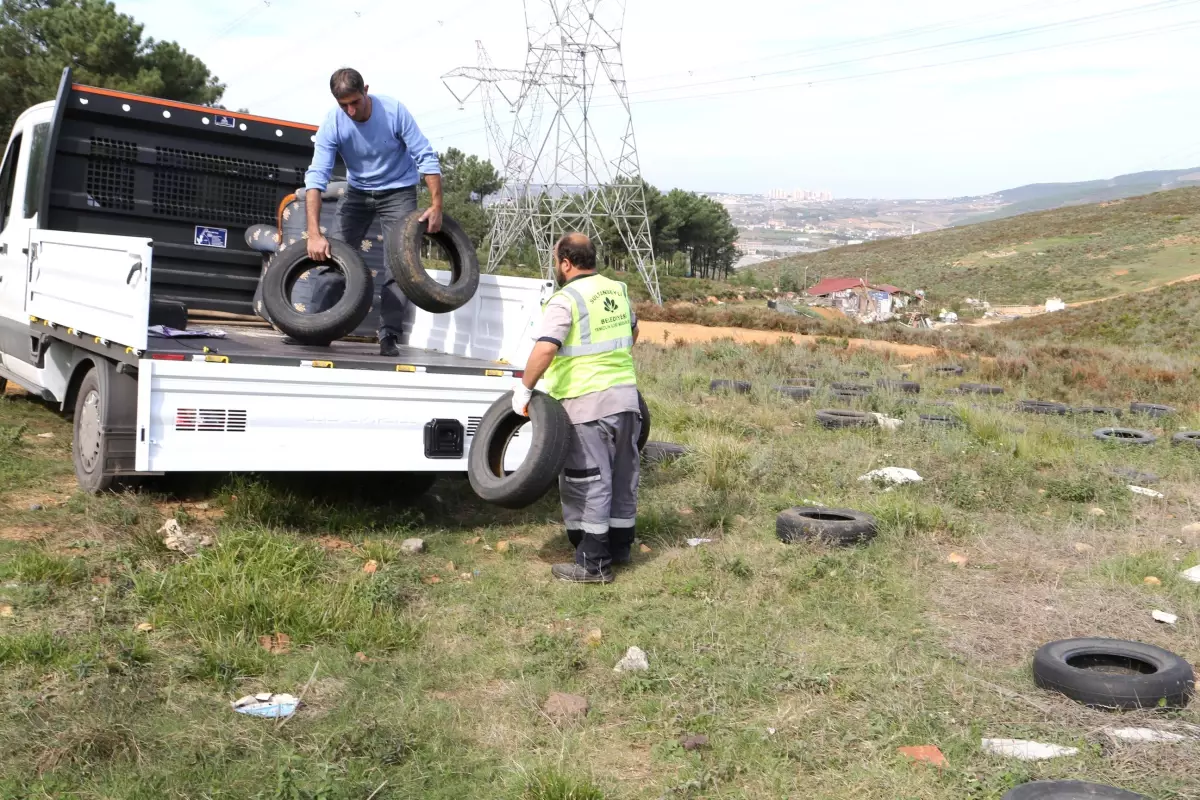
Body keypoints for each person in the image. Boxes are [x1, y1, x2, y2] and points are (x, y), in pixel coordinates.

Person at [512, 233, 641, 584]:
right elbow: (632, 334)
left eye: (557, 261)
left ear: (566, 263)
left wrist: (524, 389)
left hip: (587, 403)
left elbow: (545, 348)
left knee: (589, 482)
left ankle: (594, 563)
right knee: (622, 476)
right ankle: (620, 547)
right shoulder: (617, 290)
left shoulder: (564, 299)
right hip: (627, 401)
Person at [302, 67, 443, 356]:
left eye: (355, 102)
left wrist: (437, 206)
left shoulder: (393, 111)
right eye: (344, 105)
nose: (351, 111)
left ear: (366, 90)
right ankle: (314, 328)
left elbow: (426, 156)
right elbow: (316, 177)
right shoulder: (333, 123)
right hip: (358, 191)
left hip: (399, 190)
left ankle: (388, 335)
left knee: (399, 263)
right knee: (334, 252)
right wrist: (314, 234)